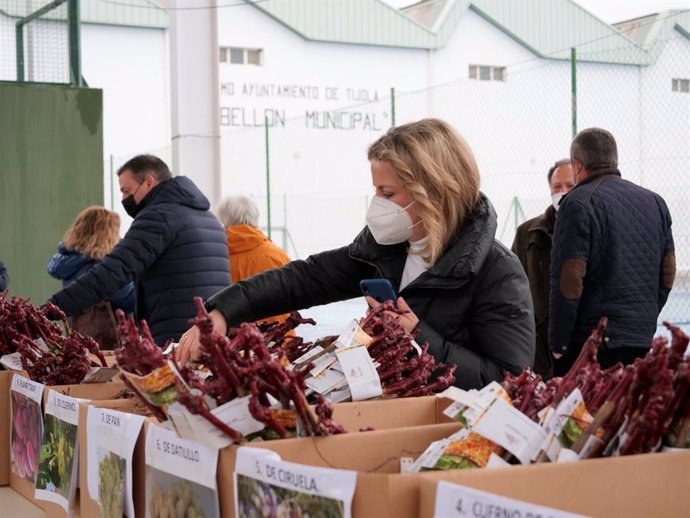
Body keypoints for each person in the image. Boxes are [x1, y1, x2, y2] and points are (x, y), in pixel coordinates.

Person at [177, 119, 535, 390]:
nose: (377, 203)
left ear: (433, 191)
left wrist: (419, 337)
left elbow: (509, 378)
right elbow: (304, 278)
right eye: (375, 190)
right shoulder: (386, 249)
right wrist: (224, 309)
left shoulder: (497, 272)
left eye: (388, 192)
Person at [48, 155, 231, 345]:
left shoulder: (158, 216)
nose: (124, 199)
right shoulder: (211, 220)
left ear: (148, 181)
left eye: (126, 191)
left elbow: (111, 273)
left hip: (176, 339)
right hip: (213, 336)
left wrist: (52, 309)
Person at [550, 128, 675, 374]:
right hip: (641, 337)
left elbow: (568, 280)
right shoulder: (655, 202)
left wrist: (559, 343)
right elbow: (668, 271)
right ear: (614, 160)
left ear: (577, 165)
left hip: (592, 343)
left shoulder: (577, 203)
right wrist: (643, 317)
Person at [512, 159, 575, 378]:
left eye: (570, 186)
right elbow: (512, 286)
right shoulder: (527, 233)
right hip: (538, 347)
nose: (563, 192)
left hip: (578, 343)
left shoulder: (591, 228)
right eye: (557, 187)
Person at [217, 195, 292, 325]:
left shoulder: (216, 259)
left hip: (234, 341)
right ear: (255, 216)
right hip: (280, 339)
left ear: (223, 218)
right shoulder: (278, 256)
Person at [48, 206, 135, 313]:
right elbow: (129, 301)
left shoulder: (70, 262)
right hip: (111, 328)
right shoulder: (103, 267)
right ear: (107, 235)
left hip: (79, 327)